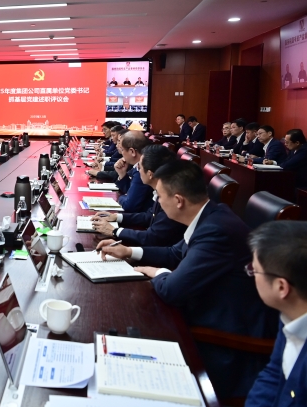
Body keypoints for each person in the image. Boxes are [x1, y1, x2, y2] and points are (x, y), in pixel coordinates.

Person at [99, 160, 278, 399]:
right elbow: (175, 253)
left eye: (159, 197)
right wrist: (129, 252)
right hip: (209, 306)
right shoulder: (211, 214)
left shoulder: (216, 230)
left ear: (178, 200)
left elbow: (172, 290)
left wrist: (157, 272)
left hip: (226, 339)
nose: (157, 202)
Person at [245, 221, 307, 407]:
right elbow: (274, 373)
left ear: (281, 287)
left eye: (254, 270)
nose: (251, 274)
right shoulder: (291, 313)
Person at [92, 145, 186, 246]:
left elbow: (153, 237)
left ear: (150, 174)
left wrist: (115, 231)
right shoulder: (162, 189)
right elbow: (149, 216)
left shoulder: (171, 197)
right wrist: (116, 216)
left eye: (139, 167)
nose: (137, 170)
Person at [113, 131, 154, 213]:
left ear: (132, 152)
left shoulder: (143, 169)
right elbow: (132, 191)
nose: (121, 153)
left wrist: (119, 197)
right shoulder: (141, 164)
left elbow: (129, 205)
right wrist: (122, 174)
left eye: (122, 149)